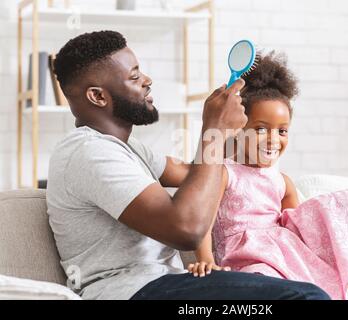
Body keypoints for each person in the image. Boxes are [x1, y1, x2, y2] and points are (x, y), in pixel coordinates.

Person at [46, 30, 330, 300]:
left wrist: (238, 132)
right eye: (134, 76)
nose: (147, 80)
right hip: (133, 291)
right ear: (98, 96)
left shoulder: (129, 150)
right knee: (305, 296)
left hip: (171, 285)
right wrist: (214, 129)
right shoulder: (89, 152)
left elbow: (199, 174)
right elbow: (186, 228)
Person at [187, 52, 348, 300]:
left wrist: (346, 239)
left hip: (285, 256)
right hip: (247, 259)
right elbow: (203, 221)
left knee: (342, 222)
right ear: (238, 129)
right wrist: (206, 260)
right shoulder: (225, 173)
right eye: (261, 129)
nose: (273, 139)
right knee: (268, 283)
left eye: (282, 131)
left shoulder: (281, 181)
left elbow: (302, 228)